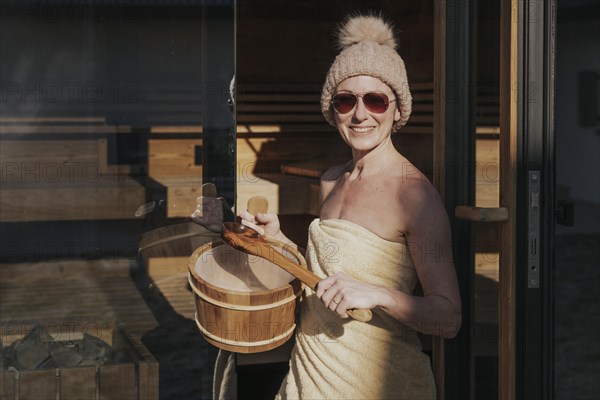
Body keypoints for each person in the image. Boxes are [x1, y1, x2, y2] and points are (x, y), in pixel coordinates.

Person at [236, 13, 461, 400]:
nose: (360, 114)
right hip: (310, 374)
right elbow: (325, 276)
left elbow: (448, 318)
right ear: (332, 109)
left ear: (397, 109)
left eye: (375, 100)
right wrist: (277, 241)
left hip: (378, 385)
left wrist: (379, 294)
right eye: (346, 100)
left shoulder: (415, 195)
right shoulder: (331, 180)